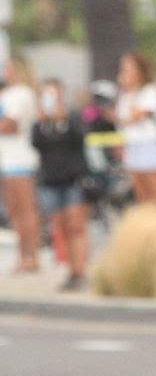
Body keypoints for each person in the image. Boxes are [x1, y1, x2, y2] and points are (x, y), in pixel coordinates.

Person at [32, 79, 90, 291]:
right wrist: (41, 120)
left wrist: (63, 119)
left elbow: (80, 139)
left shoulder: (71, 117)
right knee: (61, 227)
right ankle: (70, 271)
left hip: (72, 179)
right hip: (51, 180)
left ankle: (80, 270)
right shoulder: (41, 124)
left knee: (76, 226)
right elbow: (36, 144)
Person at [115, 52, 156, 204]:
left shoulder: (150, 92)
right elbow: (120, 121)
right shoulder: (124, 96)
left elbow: (135, 116)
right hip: (133, 146)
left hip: (151, 145)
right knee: (142, 195)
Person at [0, 57, 40, 272]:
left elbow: (11, 125)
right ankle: (21, 255)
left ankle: (32, 255)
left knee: (26, 210)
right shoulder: (6, 94)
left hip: (21, 158)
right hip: (6, 158)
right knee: (13, 211)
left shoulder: (23, 93)